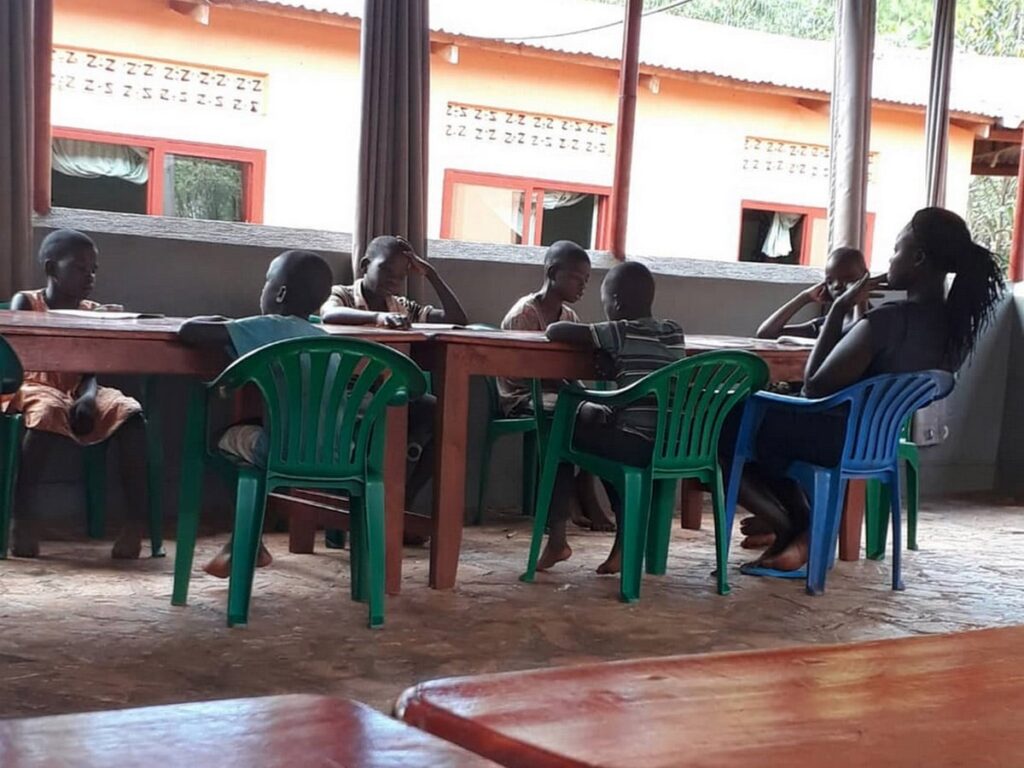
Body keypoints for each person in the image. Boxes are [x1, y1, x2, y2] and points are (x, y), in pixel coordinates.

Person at [730, 207, 1004, 575]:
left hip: (833, 436)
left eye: (897, 249)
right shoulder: (955, 333)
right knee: (762, 431)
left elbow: (814, 386)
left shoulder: (886, 322)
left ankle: (798, 528)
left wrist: (839, 308)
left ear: (918, 258)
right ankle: (795, 530)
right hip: (876, 444)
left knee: (728, 425)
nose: (890, 259)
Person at [178, 249, 332, 577]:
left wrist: (223, 321)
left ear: (280, 293)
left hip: (280, 450)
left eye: (267, 281)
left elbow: (189, 331)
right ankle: (251, 541)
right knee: (259, 428)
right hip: (337, 453)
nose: (264, 288)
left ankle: (246, 538)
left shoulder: (268, 327)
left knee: (220, 442)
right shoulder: (325, 338)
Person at [5, 229, 148, 559]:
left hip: (80, 388)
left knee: (131, 414)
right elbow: (21, 352)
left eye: (94, 269)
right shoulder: (27, 303)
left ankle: (133, 524)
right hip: (33, 384)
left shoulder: (94, 310)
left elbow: (91, 368)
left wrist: (88, 396)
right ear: (51, 269)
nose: (90, 277)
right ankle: (22, 518)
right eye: (80, 268)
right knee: (47, 413)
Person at [537, 261, 686, 574]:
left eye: (604, 301)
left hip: (634, 444)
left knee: (557, 431)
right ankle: (621, 544)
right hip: (672, 446)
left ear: (615, 303)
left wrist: (607, 347)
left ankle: (557, 539)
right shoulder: (674, 332)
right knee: (603, 430)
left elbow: (555, 331)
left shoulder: (619, 331)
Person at [322, 236, 468, 538]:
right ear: (365, 265)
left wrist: (432, 275)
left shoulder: (401, 306)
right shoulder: (344, 295)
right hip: (349, 394)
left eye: (401, 276)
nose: (394, 280)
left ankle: (403, 504)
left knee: (442, 416)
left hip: (389, 393)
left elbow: (457, 319)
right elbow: (328, 314)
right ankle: (357, 512)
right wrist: (377, 317)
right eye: (386, 270)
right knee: (382, 421)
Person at [498, 240, 615, 531]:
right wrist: (575, 391)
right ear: (552, 273)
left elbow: (573, 368)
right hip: (521, 396)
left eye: (587, 279)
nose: (583, 286)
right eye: (577, 278)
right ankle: (569, 504)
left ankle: (583, 484)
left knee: (601, 414)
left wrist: (584, 393)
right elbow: (525, 370)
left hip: (559, 393)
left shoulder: (569, 317)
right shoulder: (524, 315)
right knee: (574, 413)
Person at [756, 247, 868, 340]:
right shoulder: (824, 326)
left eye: (848, 279)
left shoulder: (875, 321)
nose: (836, 285)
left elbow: (858, 336)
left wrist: (861, 299)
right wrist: (804, 297)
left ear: (865, 276)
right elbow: (766, 334)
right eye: (830, 281)